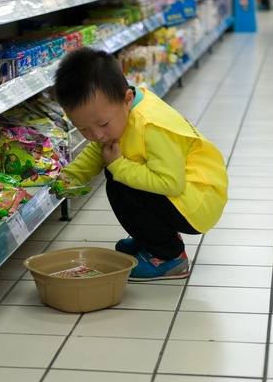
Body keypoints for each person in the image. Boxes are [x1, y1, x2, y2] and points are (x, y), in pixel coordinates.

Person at [51, 48, 228, 281]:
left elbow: (170, 183)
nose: (95, 134)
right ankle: (151, 238)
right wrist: (73, 176)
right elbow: (98, 148)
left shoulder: (151, 126)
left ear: (126, 99)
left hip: (197, 200)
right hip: (185, 194)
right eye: (83, 128)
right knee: (120, 174)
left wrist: (118, 166)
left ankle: (169, 256)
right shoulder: (119, 113)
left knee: (120, 183)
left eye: (102, 124)